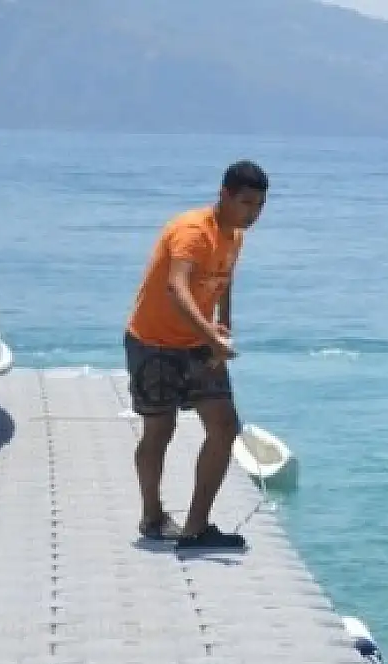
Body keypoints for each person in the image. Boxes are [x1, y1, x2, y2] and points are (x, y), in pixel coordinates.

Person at [123, 160, 268, 550]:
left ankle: (196, 527)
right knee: (160, 429)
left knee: (224, 428)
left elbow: (224, 281)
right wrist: (213, 337)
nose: (252, 214)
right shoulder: (191, 232)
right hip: (153, 341)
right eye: (246, 204)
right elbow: (177, 288)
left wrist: (224, 327)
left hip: (198, 344)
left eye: (259, 206)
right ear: (224, 196)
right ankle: (152, 517)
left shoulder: (234, 236)